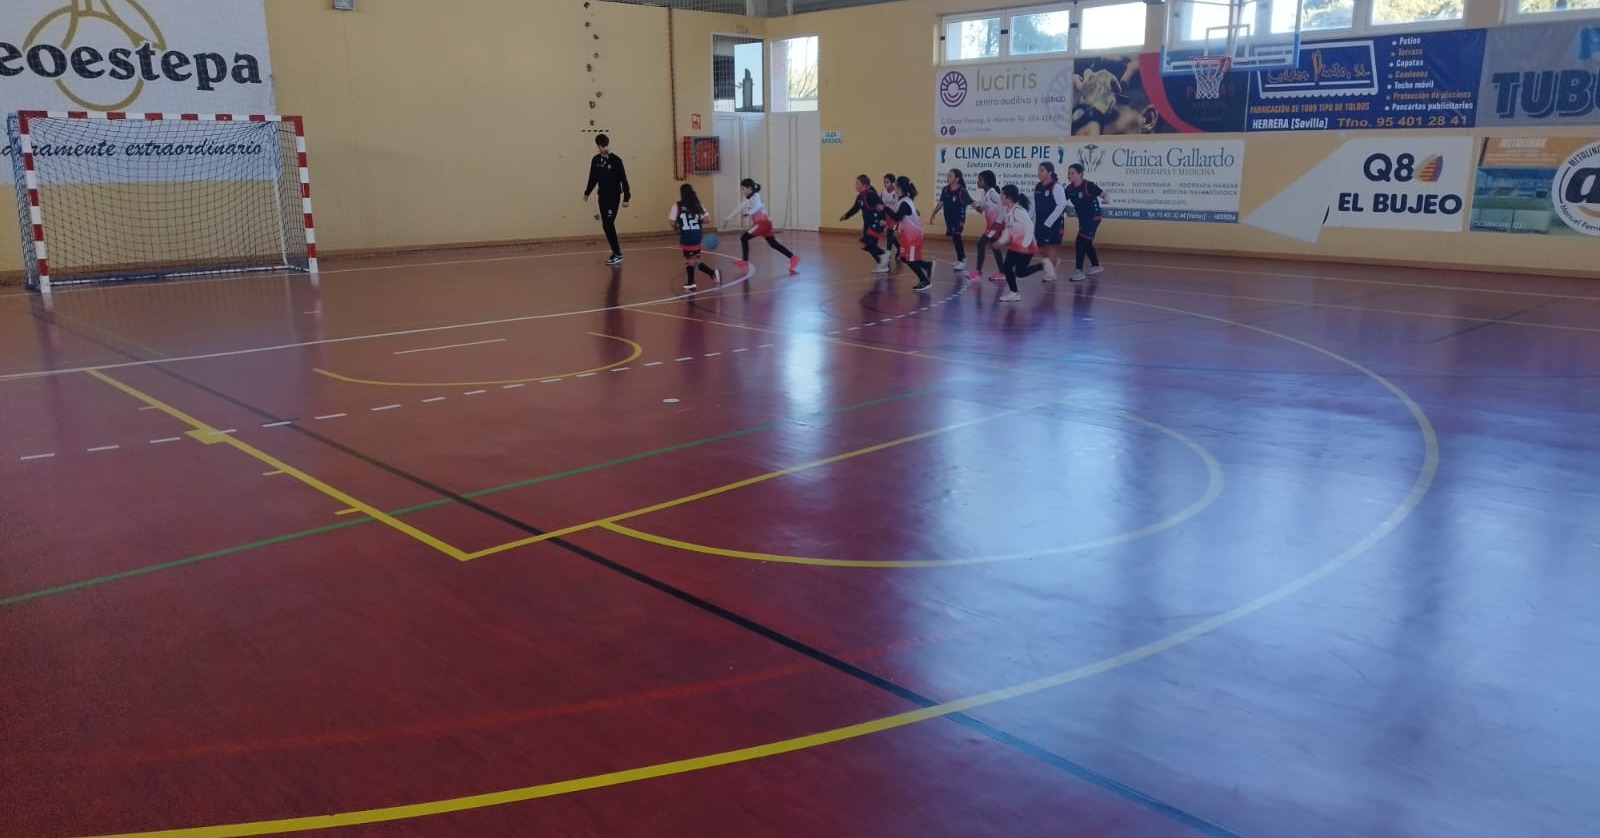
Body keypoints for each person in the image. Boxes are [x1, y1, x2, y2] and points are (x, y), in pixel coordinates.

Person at [725, 179, 798, 275]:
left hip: (762, 223)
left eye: (743, 188)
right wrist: (728, 218)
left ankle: (745, 262)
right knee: (773, 244)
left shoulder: (756, 196)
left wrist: (749, 213)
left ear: (749, 188)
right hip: (766, 224)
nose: (742, 190)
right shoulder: (748, 199)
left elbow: (759, 206)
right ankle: (793, 257)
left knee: (744, 238)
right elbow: (739, 208)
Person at [582, 134, 630, 265]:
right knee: (606, 225)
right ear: (598, 146)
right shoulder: (596, 160)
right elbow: (592, 178)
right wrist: (587, 192)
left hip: (614, 197)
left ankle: (617, 254)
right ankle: (616, 253)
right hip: (602, 197)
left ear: (607, 145)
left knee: (608, 223)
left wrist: (626, 197)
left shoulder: (616, 160)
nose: (602, 148)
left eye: (604, 146)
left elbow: (623, 179)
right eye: (600, 146)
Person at [993, 184, 1047, 303]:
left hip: (1026, 246)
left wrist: (1024, 245)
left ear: (1008, 198)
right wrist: (1000, 241)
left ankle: (1043, 265)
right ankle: (1014, 293)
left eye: (1002, 195)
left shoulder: (1018, 211)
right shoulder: (1007, 211)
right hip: (1015, 245)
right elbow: (1008, 230)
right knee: (1006, 268)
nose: (1000, 197)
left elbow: (1030, 226)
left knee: (1020, 272)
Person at [882, 176, 935, 291]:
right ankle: (927, 265)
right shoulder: (903, 200)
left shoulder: (905, 203)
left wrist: (885, 208)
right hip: (907, 235)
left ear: (900, 188)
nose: (894, 188)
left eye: (896, 186)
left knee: (910, 259)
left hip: (913, 236)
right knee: (903, 257)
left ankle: (924, 281)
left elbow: (897, 217)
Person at [670, 184, 720, 292]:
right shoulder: (697, 204)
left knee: (691, 260)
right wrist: (698, 221)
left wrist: (677, 227)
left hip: (686, 236)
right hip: (697, 235)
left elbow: (672, 223)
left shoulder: (677, 206)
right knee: (693, 259)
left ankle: (692, 282)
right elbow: (708, 219)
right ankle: (711, 274)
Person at [1064, 163, 1107, 281]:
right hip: (1083, 219)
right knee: (1087, 242)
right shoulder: (1069, 189)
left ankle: (1078, 271)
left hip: (1094, 218)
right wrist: (1066, 208)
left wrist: (1106, 199)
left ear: (1080, 174)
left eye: (1072, 173)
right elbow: (1062, 202)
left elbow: (1104, 194)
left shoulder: (1088, 185)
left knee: (1080, 241)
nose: (1069, 175)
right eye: (1068, 173)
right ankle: (1096, 265)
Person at [840, 174, 889, 273]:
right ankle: (883, 264)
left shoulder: (871, 195)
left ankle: (884, 254)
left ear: (865, 185)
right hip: (868, 225)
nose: (856, 185)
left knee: (864, 244)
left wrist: (883, 219)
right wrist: (846, 215)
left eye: (857, 183)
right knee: (870, 246)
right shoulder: (860, 196)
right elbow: (855, 208)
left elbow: (881, 206)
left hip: (876, 224)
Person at [929, 168, 975, 272]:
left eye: (950, 176)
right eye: (948, 175)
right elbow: (941, 203)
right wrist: (933, 213)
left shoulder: (962, 191)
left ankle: (962, 260)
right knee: (954, 238)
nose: (948, 177)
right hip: (949, 218)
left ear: (957, 179)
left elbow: (971, 202)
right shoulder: (945, 189)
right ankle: (960, 259)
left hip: (959, 218)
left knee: (957, 236)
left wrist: (981, 210)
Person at [1033, 162, 1068, 281]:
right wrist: (1029, 219)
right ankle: (1054, 260)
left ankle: (1051, 273)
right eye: (1038, 170)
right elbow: (1034, 205)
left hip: (1053, 223)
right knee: (1040, 248)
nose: (1039, 173)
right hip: (1040, 222)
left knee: (1050, 247)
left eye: (1042, 170)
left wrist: (1049, 222)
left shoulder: (1056, 187)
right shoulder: (1038, 187)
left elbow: (1061, 205)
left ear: (1050, 172)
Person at [972, 170, 1006, 282]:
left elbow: (1003, 206)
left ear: (986, 181)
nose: (978, 182)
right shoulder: (985, 194)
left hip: (996, 226)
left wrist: (998, 223)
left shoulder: (992, 193)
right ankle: (1002, 272)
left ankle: (978, 273)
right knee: (994, 247)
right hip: (992, 225)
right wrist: (977, 207)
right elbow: (982, 208)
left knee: (981, 243)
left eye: (980, 180)